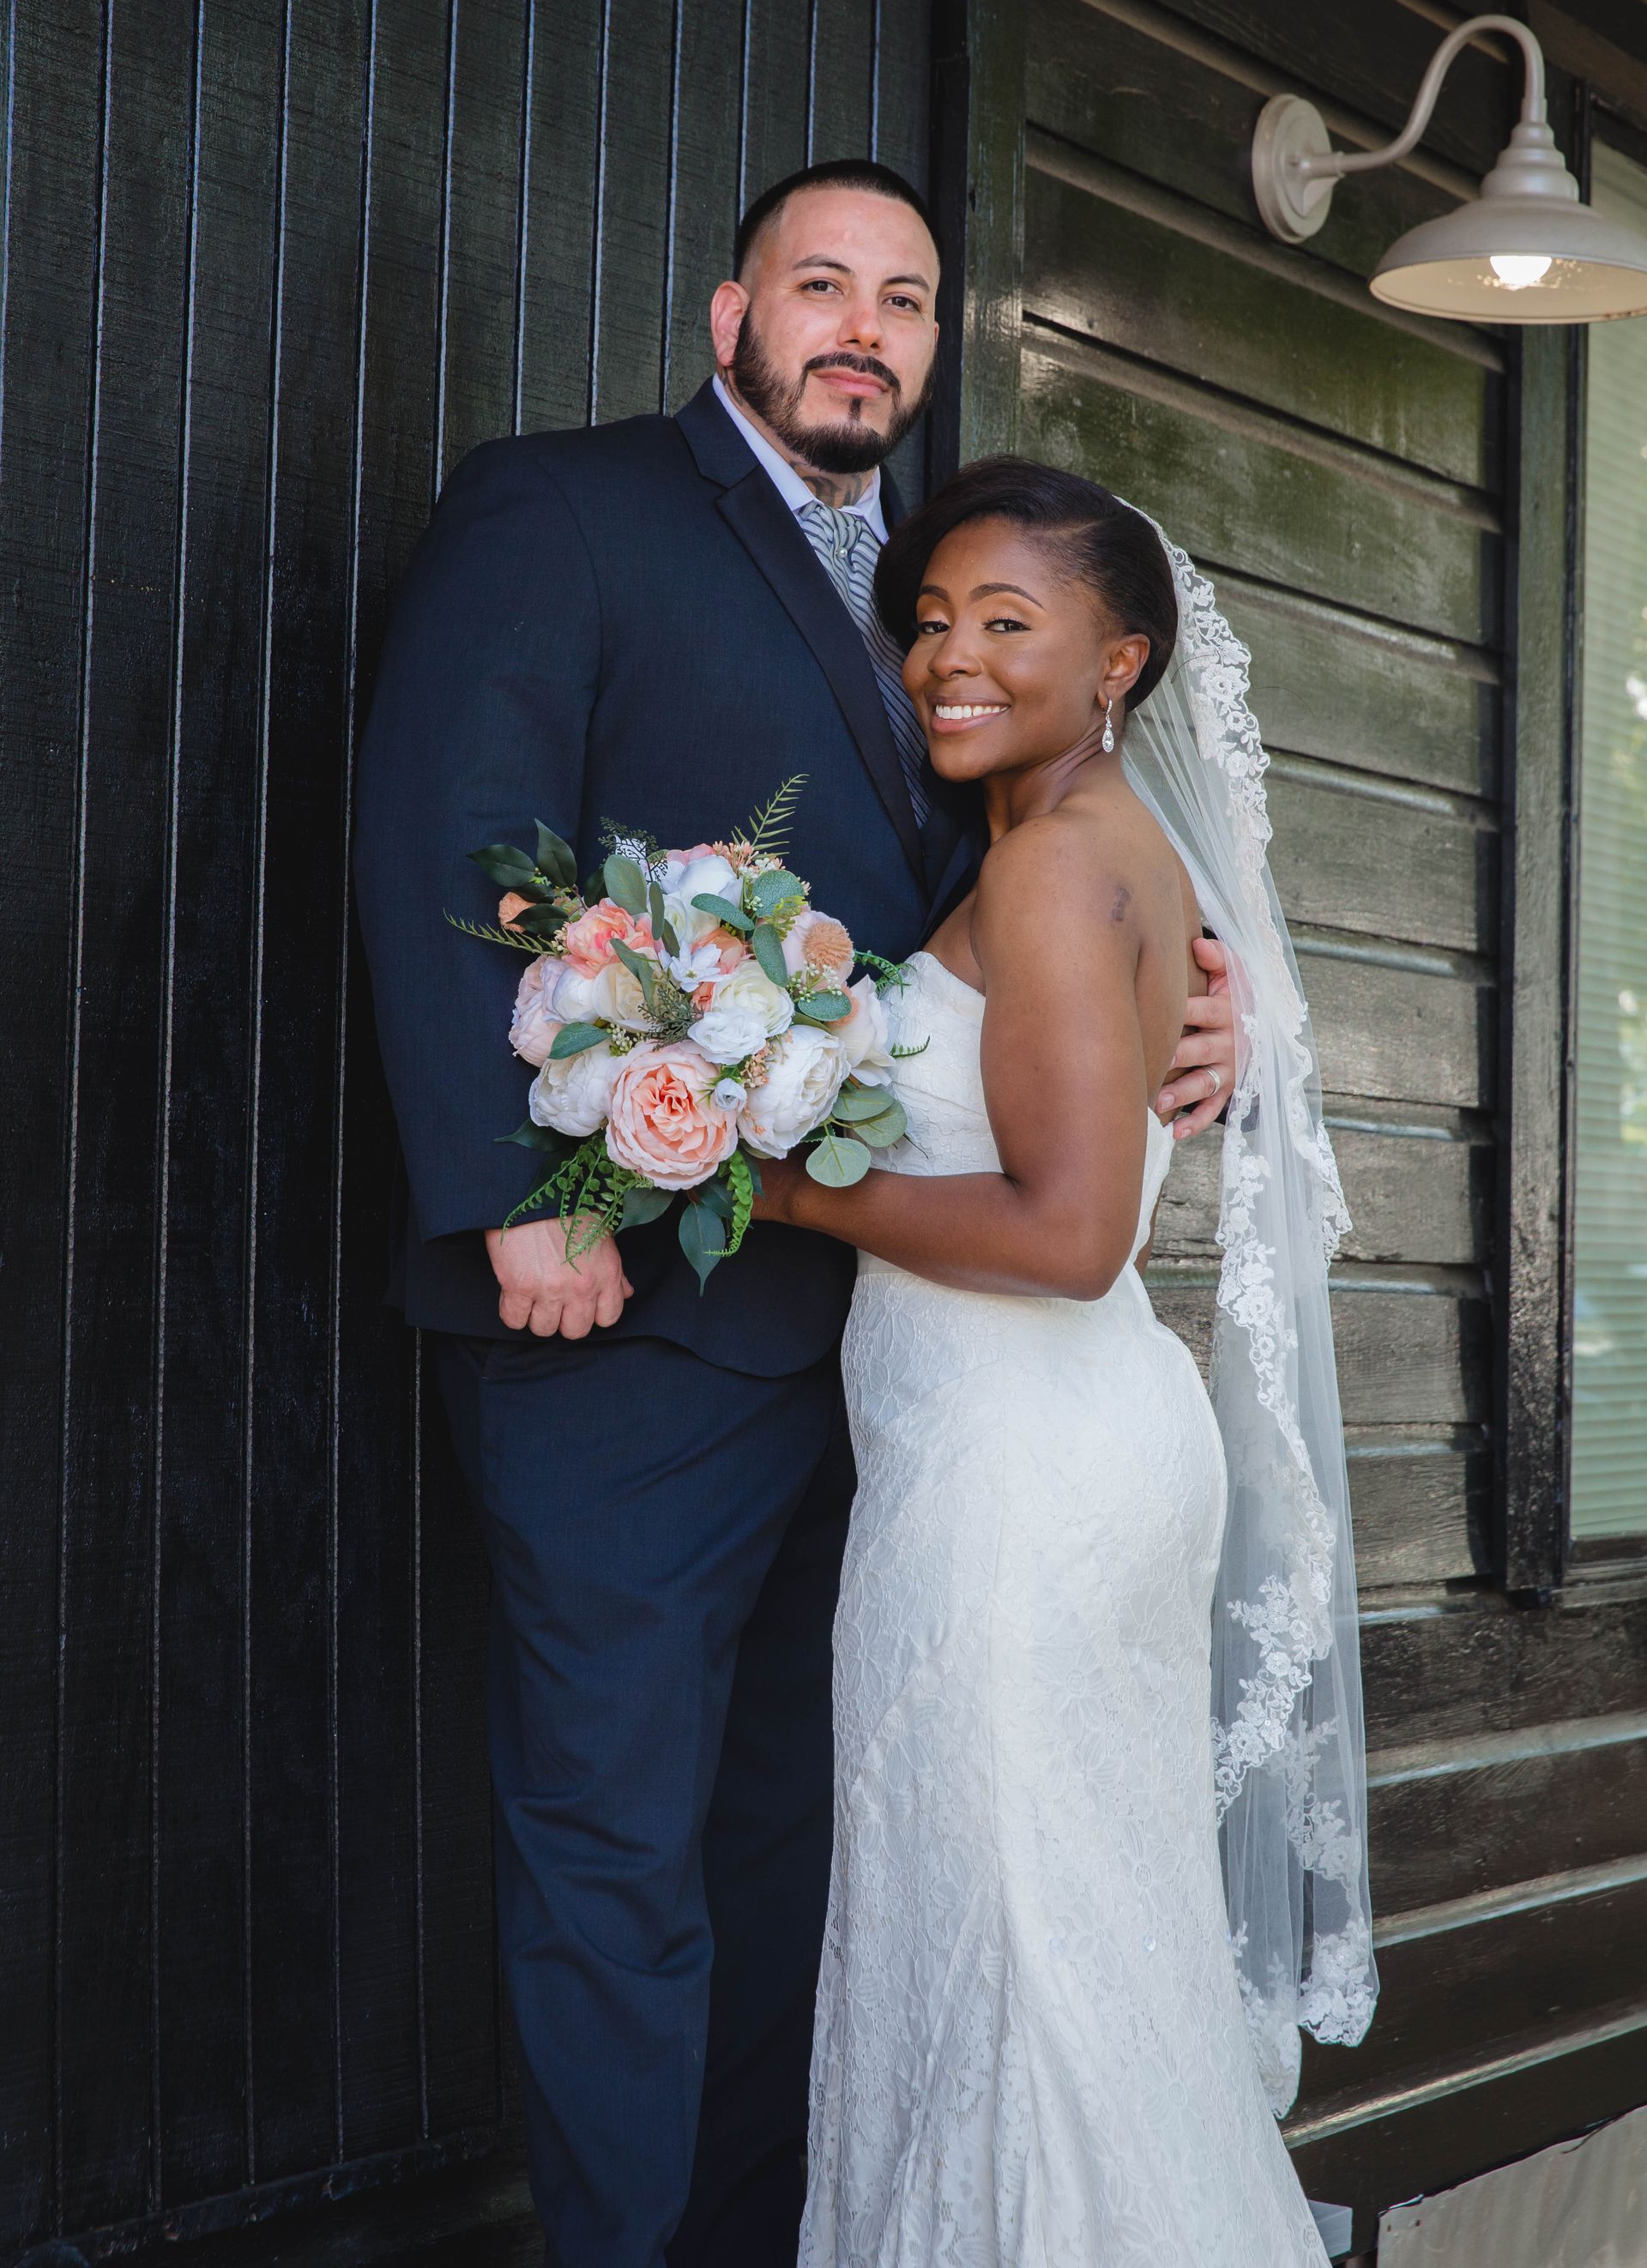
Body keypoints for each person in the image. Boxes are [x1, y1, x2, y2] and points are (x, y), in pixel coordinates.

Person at [353, 164, 1237, 2268]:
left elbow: (1057, 869)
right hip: (622, 1321)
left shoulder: (942, 585)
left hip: (892, 1369)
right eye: (819, 284)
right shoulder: (561, 510)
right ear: (731, 312)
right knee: (618, 1852)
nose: (865, 326)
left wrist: (1220, 1006)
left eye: (907, 299)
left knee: (800, 1853)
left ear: (932, 347)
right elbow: (457, 840)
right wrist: (514, 1203)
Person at [744, 460, 1376, 2266]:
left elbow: (1068, 1228)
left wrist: (787, 1184)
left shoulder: (1047, 872)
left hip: (1017, 1478)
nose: (951, 654)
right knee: (1087, 1950)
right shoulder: (1110, 849)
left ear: (1123, 661)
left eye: (1008, 624)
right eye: (933, 619)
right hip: (1067, 1447)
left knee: (1013, 1946)